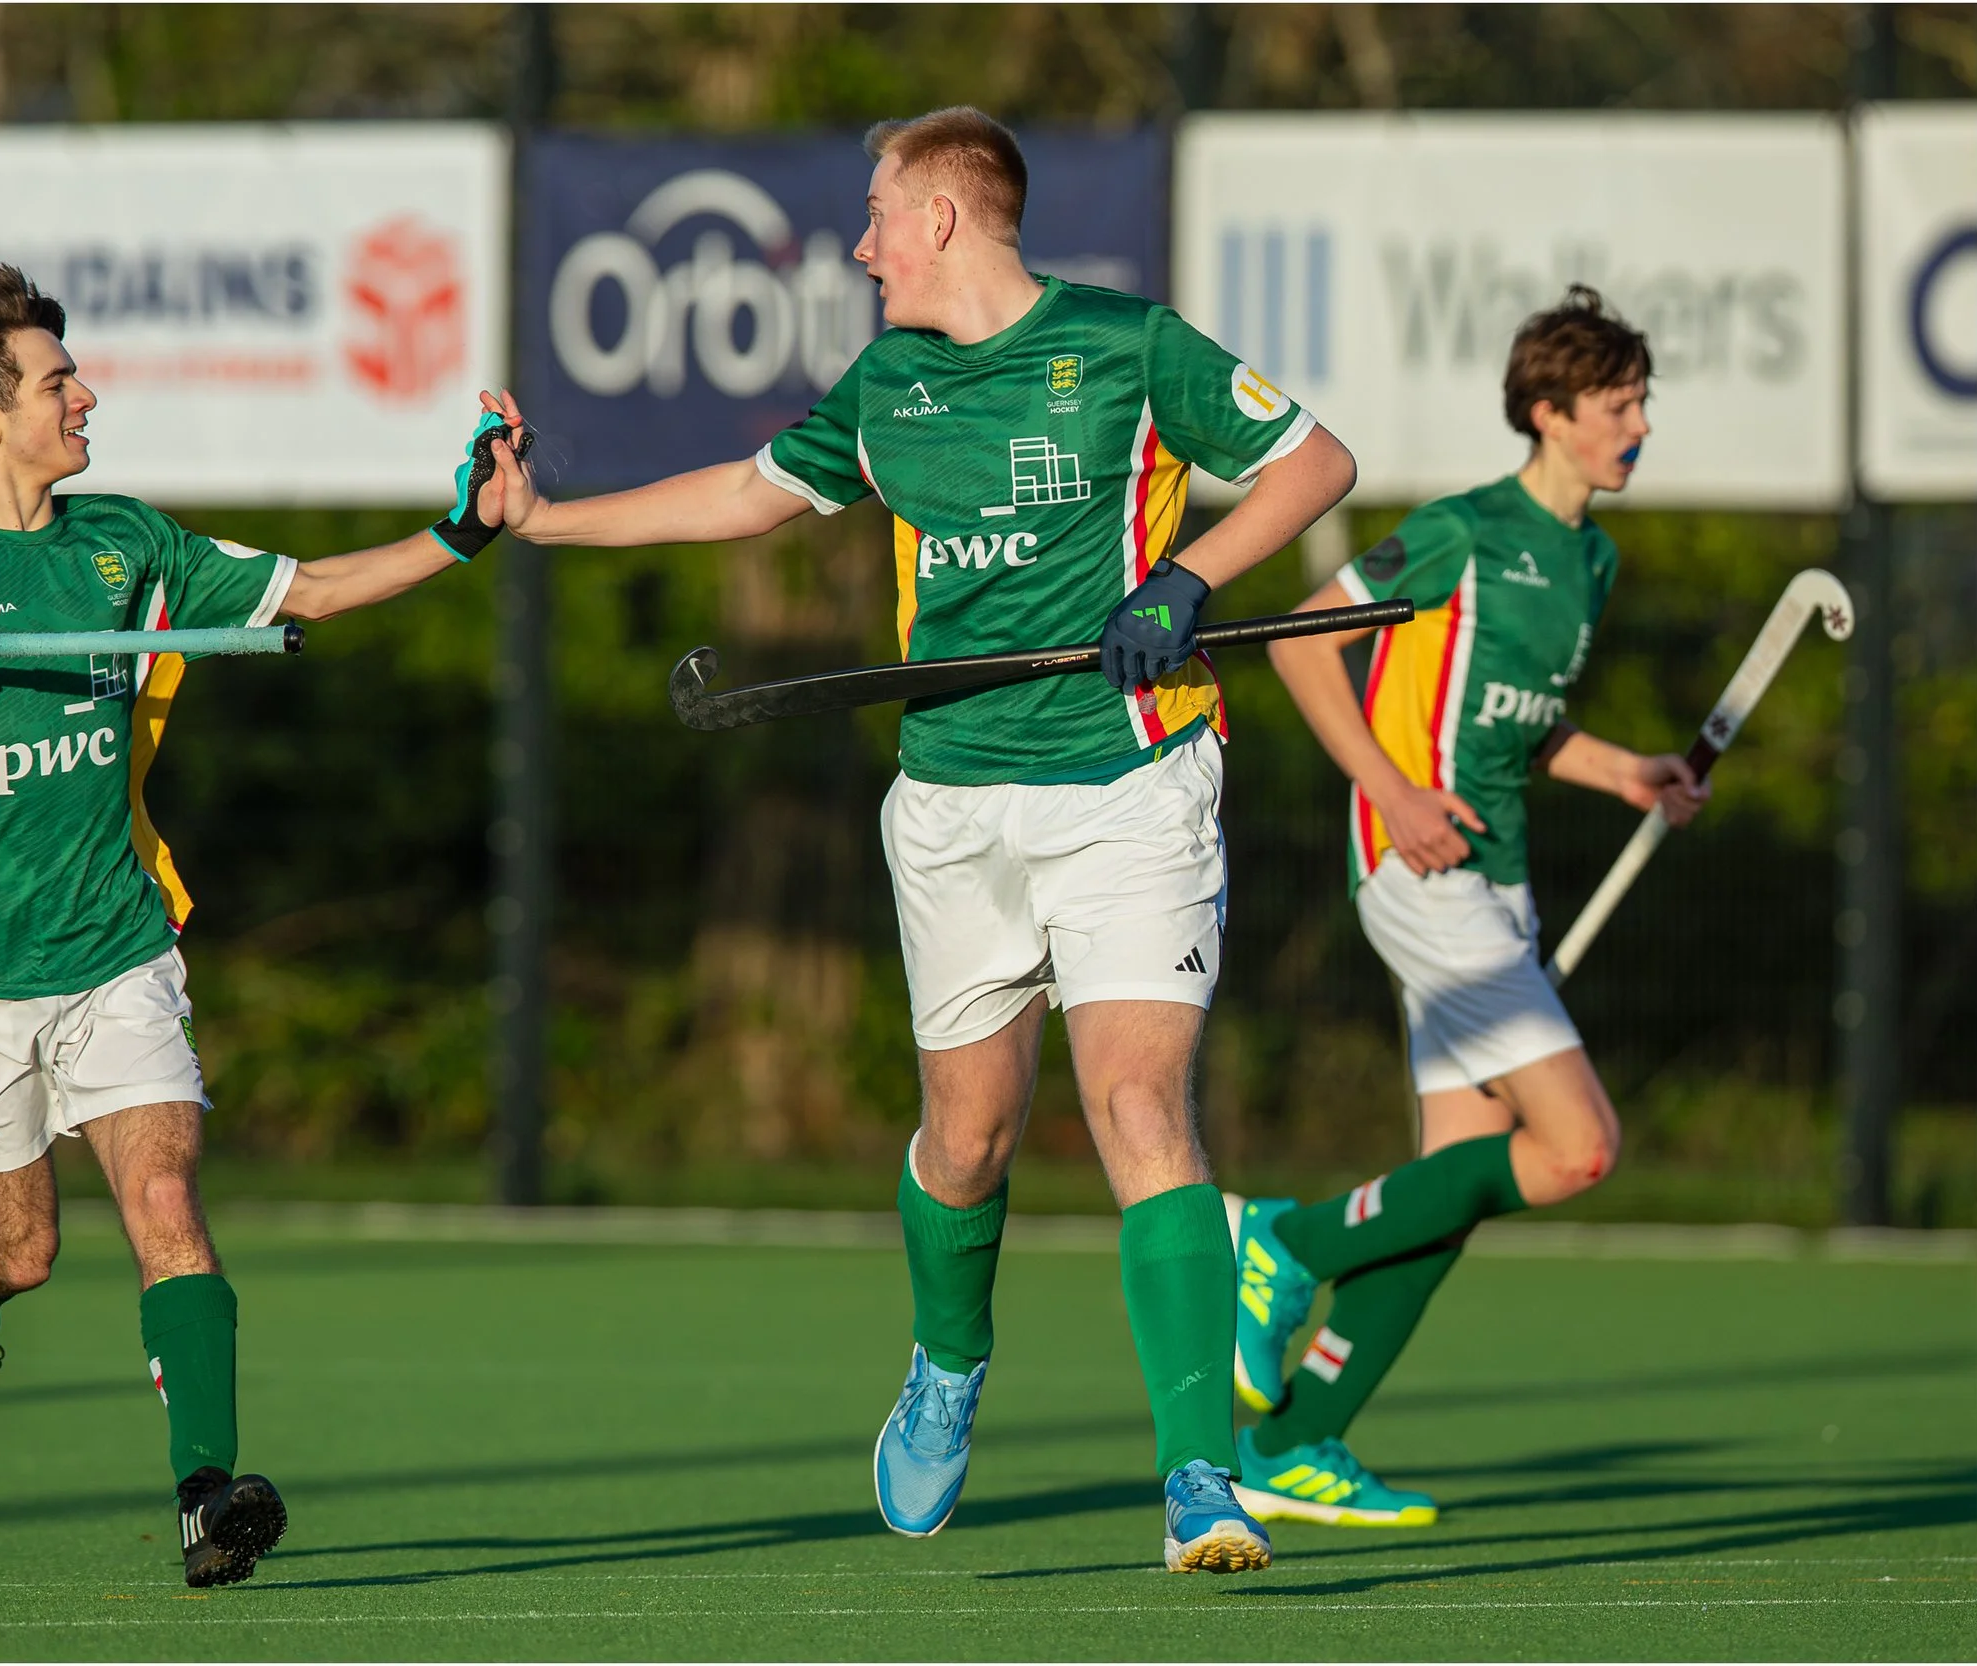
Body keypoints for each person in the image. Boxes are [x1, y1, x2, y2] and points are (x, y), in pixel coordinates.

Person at [485, 107, 1354, 1574]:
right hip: (951, 796)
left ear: (946, 218)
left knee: (1142, 1107)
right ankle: (948, 1365)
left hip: (1133, 774)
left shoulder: (1134, 348)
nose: (861, 242)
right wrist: (546, 519)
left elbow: (1313, 462)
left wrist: (1185, 582)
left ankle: (1203, 1476)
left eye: (880, 213)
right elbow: (746, 494)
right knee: (970, 1137)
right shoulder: (889, 381)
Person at [0, 264, 515, 1589]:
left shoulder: (126, 543)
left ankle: (208, 1494)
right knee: (22, 1245)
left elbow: (308, 589)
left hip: (120, 944)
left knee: (167, 1197)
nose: (86, 395)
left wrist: (463, 532)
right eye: (55, 380)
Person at [1233, 286, 1707, 1527]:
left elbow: (1516, 720)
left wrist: (1627, 772)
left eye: (1641, 402)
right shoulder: (1462, 531)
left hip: (1496, 883)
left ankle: (1296, 1443)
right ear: (1547, 414)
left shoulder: (1589, 559)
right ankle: (1286, 1239)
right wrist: (1391, 791)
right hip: (1420, 870)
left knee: (1453, 1187)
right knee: (1576, 1146)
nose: (1638, 426)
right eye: (1616, 405)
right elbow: (1296, 639)